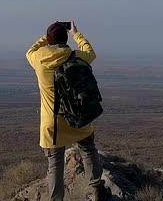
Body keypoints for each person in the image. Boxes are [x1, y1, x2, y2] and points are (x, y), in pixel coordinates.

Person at [26, 20, 105, 201]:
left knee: (55, 166)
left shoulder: (39, 59)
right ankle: (95, 189)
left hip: (53, 124)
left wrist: (44, 38)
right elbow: (91, 52)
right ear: (65, 39)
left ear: (49, 40)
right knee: (88, 150)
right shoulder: (76, 55)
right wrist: (76, 33)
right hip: (79, 116)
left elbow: (29, 51)